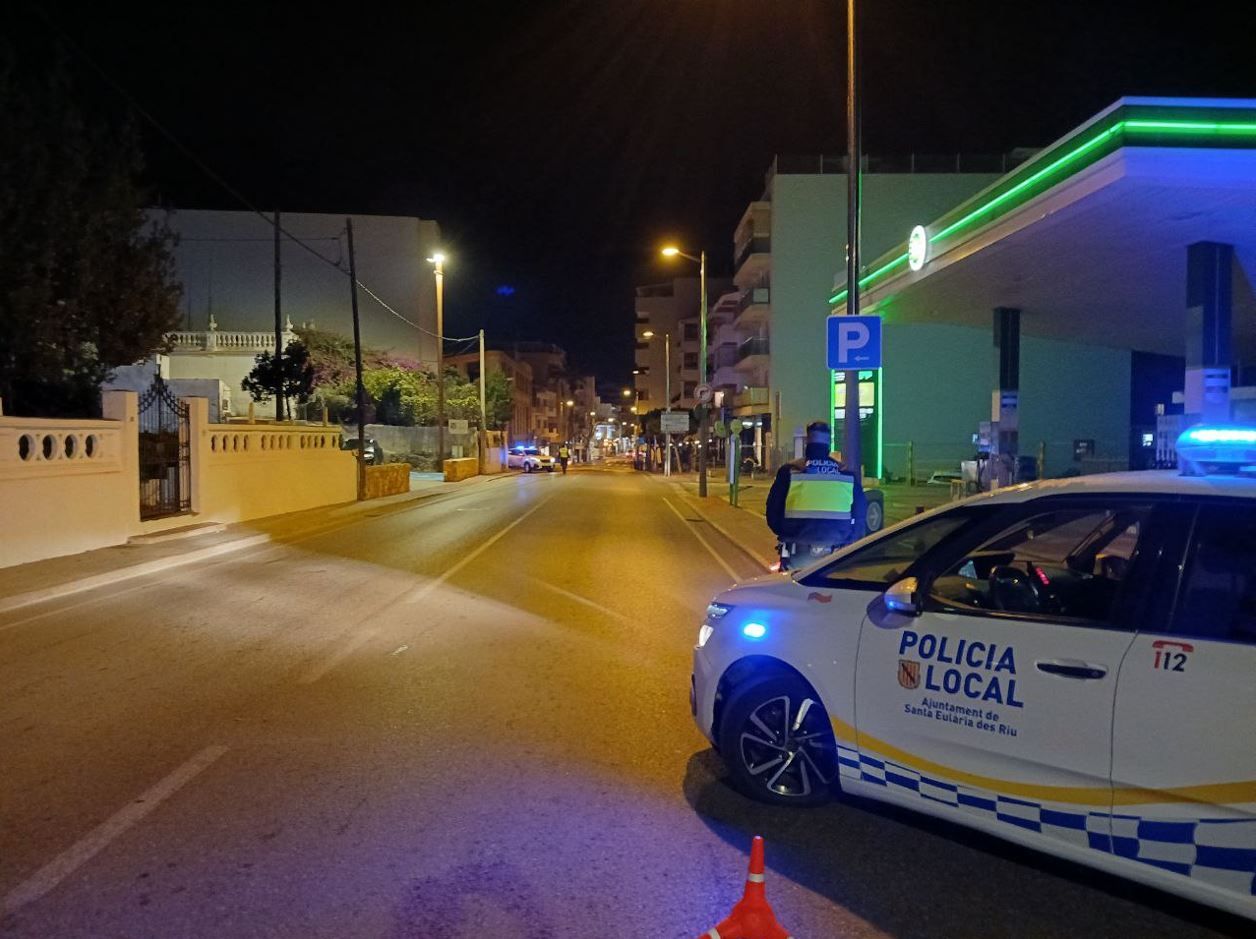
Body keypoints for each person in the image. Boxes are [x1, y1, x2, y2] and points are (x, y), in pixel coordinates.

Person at [765, 421, 866, 570]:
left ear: (807, 442)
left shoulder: (790, 471)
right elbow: (861, 514)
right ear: (829, 444)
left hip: (797, 550)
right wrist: (849, 539)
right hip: (836, 553)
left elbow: (772, 511)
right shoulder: (846, 473)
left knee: (793, 584)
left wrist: (787, 532)